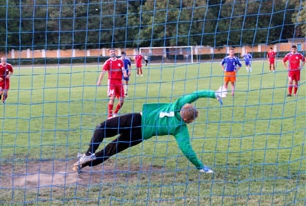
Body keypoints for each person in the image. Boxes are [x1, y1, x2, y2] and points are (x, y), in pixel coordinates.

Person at [73, 87, 228, 174]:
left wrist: (214, 94)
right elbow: (187, 151)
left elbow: (197, 94)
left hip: (137, 118)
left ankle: (87, 155)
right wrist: (201, 167)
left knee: (102, 128)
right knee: (110, 150)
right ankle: (84, 162)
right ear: (188, 120)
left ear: (183, 107)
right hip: (140, 134)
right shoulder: (180, 129)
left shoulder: (178, 104)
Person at [97, 48, 128, 119]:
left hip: (119, 82)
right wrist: (99, 81)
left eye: (114, 51)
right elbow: (103, 72)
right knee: (112, 97)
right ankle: (110, 116)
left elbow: (123, 70)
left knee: (122, 100)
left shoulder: (120, 61)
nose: (113, 53)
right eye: (111, 52)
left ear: (115, 52)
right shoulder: (107, 62)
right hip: (112, 82)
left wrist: (125, 74)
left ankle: (115, 113)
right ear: (109, 53)